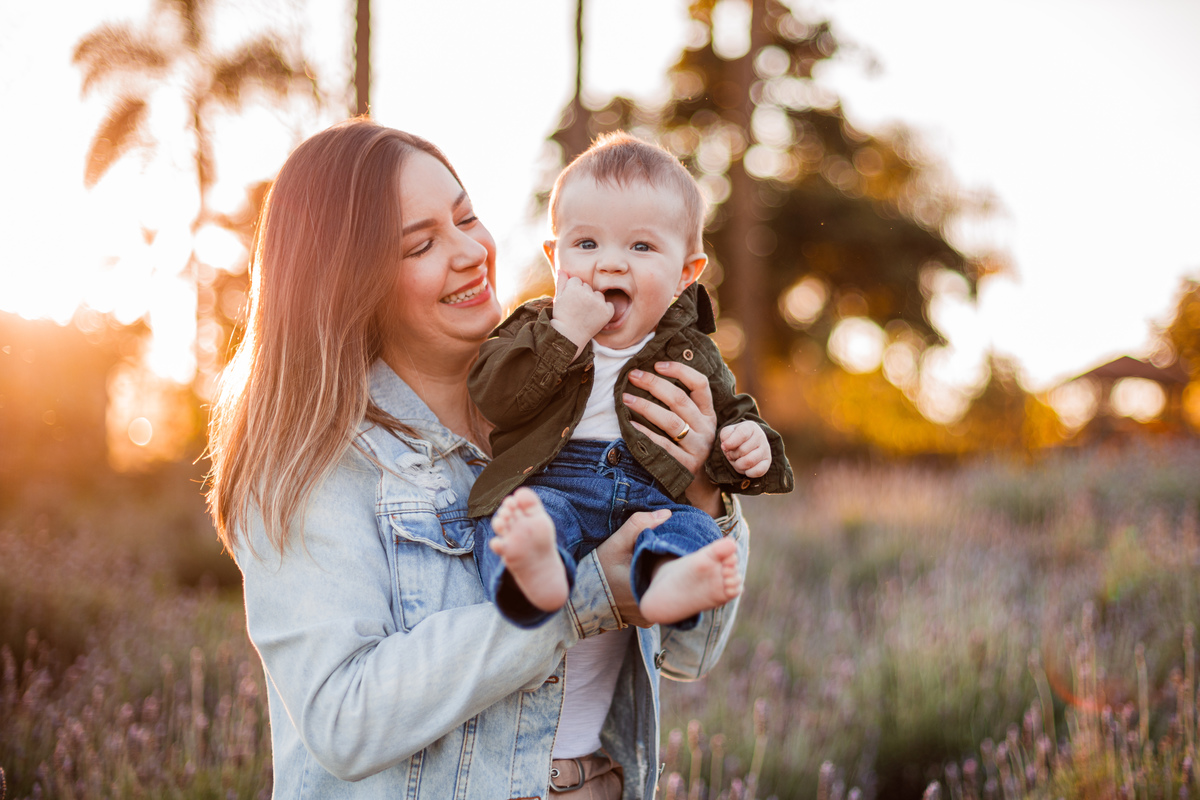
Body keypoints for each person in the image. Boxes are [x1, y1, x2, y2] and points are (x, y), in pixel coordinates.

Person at [205, 118, 751, 799]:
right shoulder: (316, 466)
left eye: (466, 218)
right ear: (350, 281)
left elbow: (689, 654)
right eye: (421, 244)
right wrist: (585, 599)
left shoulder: (577, 404)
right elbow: (344, 718)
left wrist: (700, 490)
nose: (469, 251)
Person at [469, 133, 793, 633]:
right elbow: (494, 394)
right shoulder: (535, 329)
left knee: (694, 528)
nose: (611, 262)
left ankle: (667, 582)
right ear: (556, 259)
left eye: (641, 246)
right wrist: (565, 335)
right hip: (555, 485)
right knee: (519, 519)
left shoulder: (693, 351)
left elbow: (733, 413)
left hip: (654, 497)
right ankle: (535, 577)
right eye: (586, 243)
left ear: (686, 273)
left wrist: (746, 446)